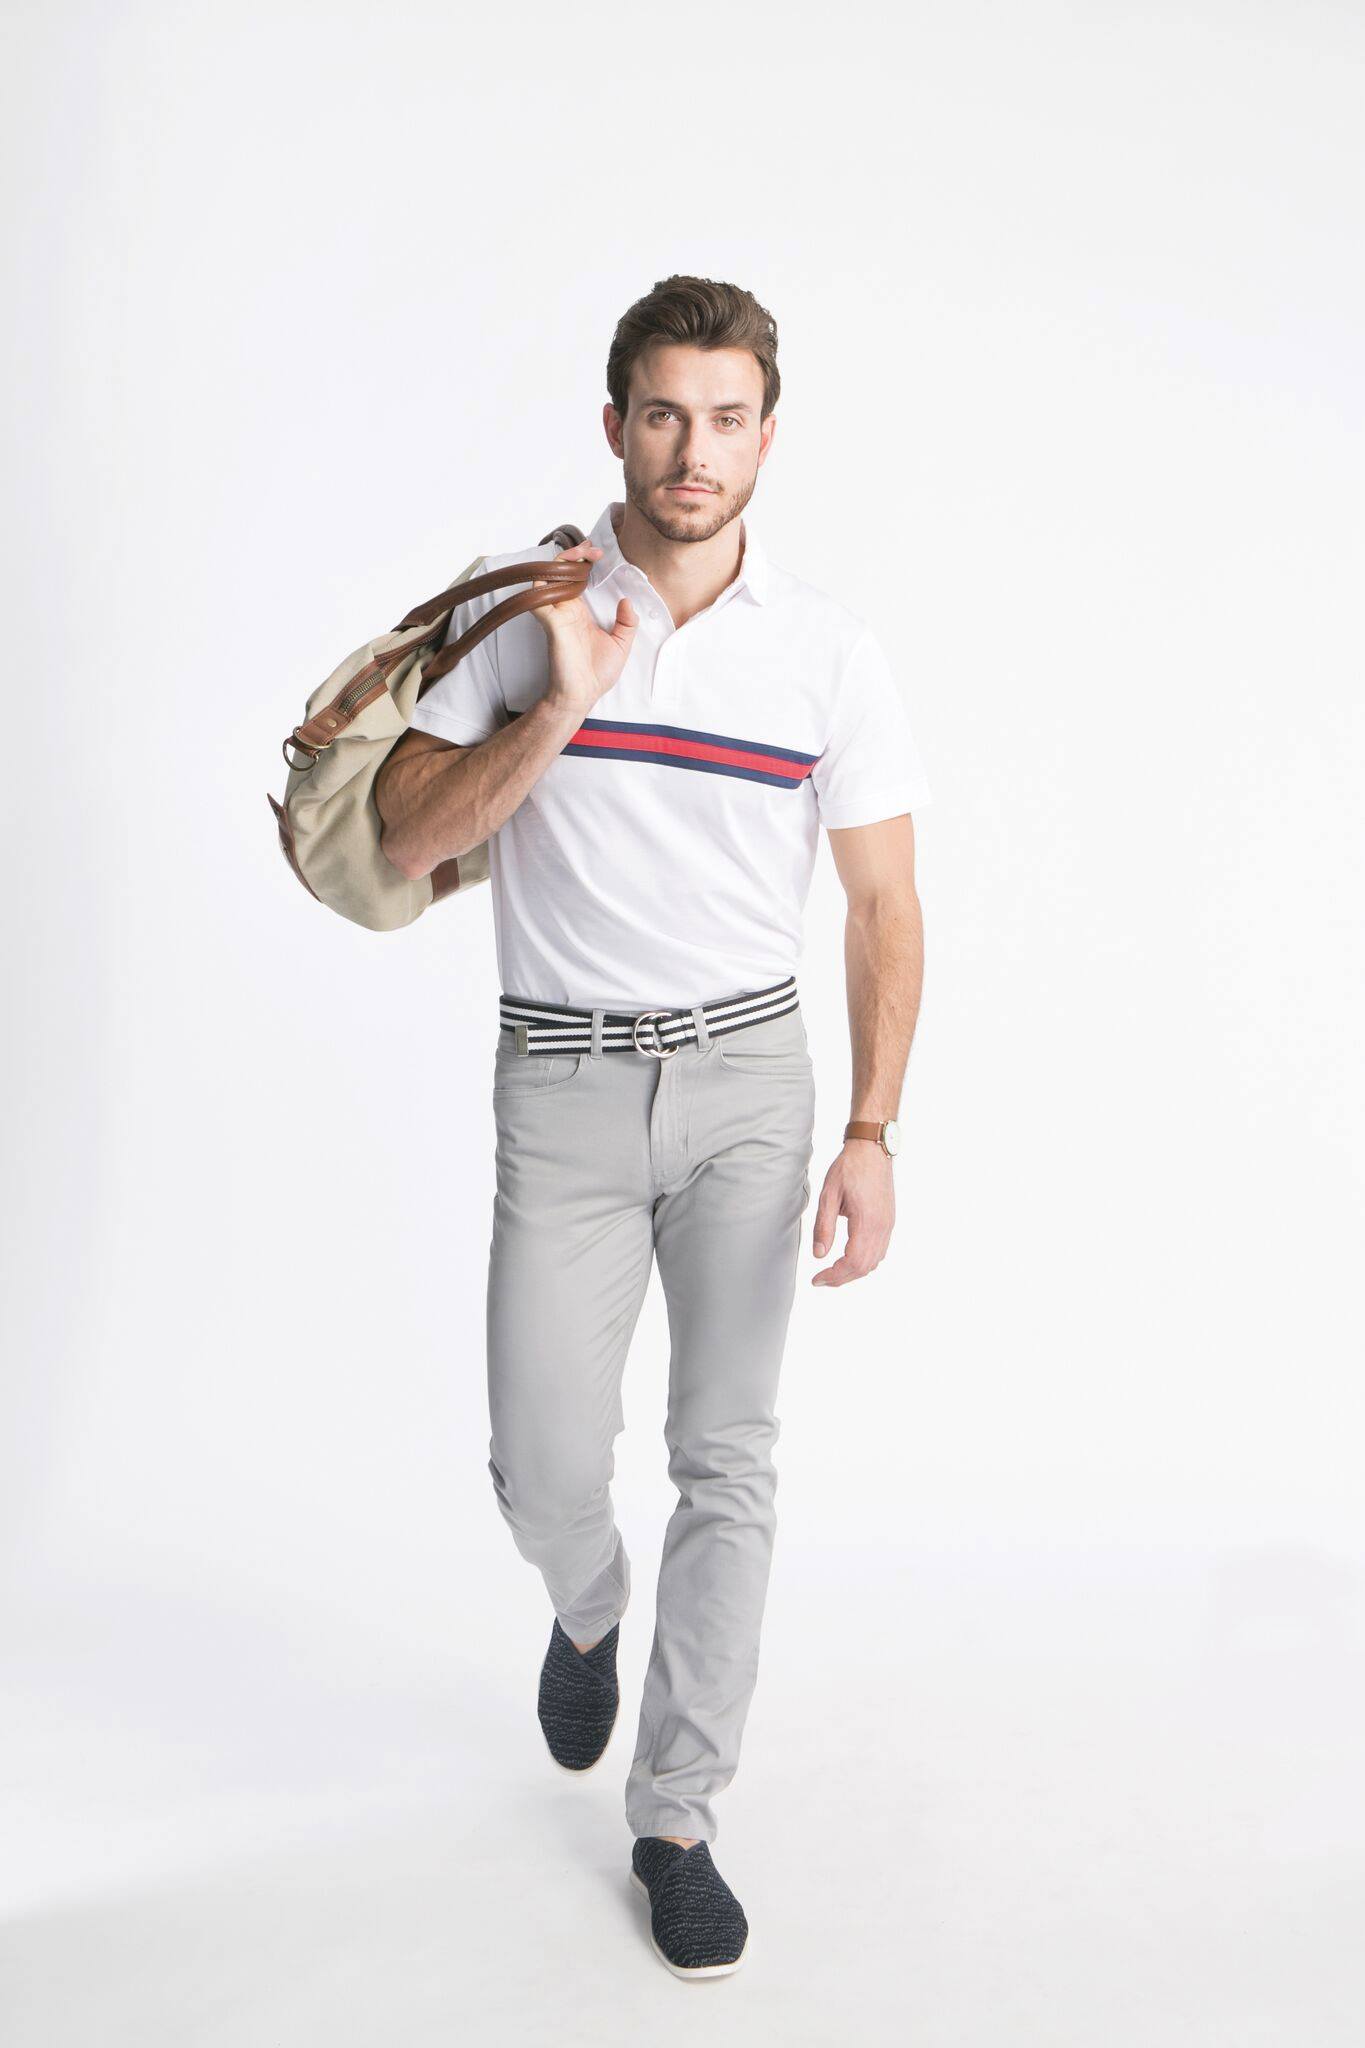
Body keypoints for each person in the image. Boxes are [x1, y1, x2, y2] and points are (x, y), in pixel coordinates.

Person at [373, 274, 932, 1979]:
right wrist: (560, 699)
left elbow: (883, 907)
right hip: (559, 1082)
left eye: (728, 418)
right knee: (545, 1462)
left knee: (725, 1455)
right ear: (615, 424)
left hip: (749, 1085)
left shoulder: (827, 652)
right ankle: (586, 1604)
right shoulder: (525, 609)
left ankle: (676, 1815)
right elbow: (404, 842)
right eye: (666, 415)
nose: (695, 450)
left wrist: (871, 1130)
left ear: (767, 434)